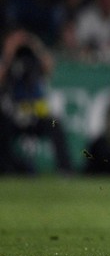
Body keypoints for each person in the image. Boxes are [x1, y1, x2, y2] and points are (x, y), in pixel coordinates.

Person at [0, 29, 72, 174]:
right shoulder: (7, 61)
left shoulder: (34, 58)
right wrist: (10, 52)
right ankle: (7, 168)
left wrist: (33, 45)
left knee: (54, 123)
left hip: (37, 111)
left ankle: (65, 169)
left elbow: (49, 67)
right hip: (15, 112)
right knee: (2, 126)